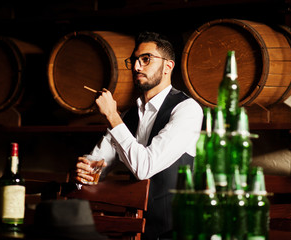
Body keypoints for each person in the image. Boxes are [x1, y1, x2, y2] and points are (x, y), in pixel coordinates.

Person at [73, 31, 203, 240]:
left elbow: (145, 168)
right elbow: (96, 166)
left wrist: (112, 117)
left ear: (168, 66)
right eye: (134, 61)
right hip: (132, 230)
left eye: (146, 59)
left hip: (174, 232)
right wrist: (84, 174)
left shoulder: (187, 109)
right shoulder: (128, 116)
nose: (136, 67)